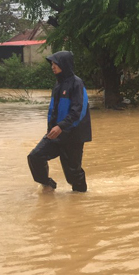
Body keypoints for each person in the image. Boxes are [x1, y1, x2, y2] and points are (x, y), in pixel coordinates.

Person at [27, 51, 92, 192]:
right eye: (52, 63)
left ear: (65, 64)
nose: (53, 66)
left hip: (72, 136)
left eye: (55, 63)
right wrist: (52, 129)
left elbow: (78, 111)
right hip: (55, 134)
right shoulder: (58, 85)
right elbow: (54, 111)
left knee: (73, 174)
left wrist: (61, 127)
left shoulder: (77, 84)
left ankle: (80, 200)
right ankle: (47, 185)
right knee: (35, 156)